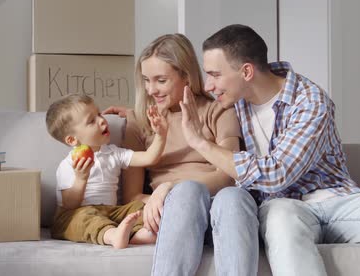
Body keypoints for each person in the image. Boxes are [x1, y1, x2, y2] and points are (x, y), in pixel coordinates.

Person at [179, 24, 360, 276]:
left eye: (215, 75)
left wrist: (200, 142)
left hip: (335, 200)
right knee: (281, 220)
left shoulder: (310, 101)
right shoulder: (230, 105)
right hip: (281, 206)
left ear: (246, 71)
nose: (209, 85)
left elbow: (277, 173)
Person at [103, 34, 259, 275]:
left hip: (221, 207)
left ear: (186, 76)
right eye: (146, 80)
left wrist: (170, 186)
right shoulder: (139, 120)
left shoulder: (218, 110)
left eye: (161, 80)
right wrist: (169, 196)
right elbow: (133, 194)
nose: (151, 89)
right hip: (175, 213)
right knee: (188, 192)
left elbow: (230, 174)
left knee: (234, 197)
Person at [45, 94, 166, 249]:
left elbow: (149, 158)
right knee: (84, 218)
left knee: (138, 207)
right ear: (72, 140)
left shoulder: (114, 153)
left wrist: (161, 135)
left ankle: (136, 234)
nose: (102, 120)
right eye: (91, 121)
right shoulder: (69, 164)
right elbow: (69, 204)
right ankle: (112, 236)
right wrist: (81, 178)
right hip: (75, 214)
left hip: (110, 212)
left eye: (99, 114)